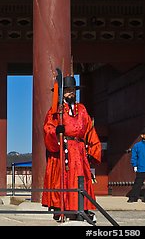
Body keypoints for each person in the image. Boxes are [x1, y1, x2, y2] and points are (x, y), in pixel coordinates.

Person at [41, 75, 102, 223]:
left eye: (73, 90)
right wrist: (56, 132)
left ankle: (82, 209)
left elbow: (89, 130)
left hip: (79, 151)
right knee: (62, 179)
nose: (71, 93)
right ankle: (60, 209)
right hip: (63, 149)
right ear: (62, 93)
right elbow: (48, 128)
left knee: (81, 180)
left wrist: (94, 150)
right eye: (67, 90)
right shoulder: (55, 111)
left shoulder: (81, 109)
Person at [127, 127, 145, 203]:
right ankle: (133, 197)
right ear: (142, 135)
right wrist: (134, 165)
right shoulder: (137, 145)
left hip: (143, 167)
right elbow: (134, 156)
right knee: (138, 183)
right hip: (141, 167)